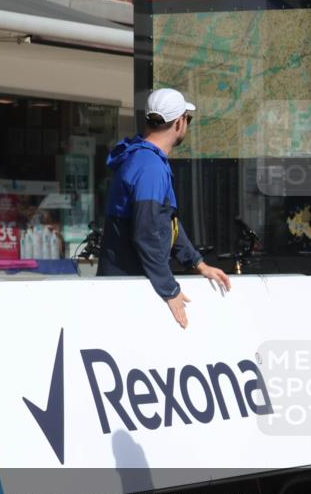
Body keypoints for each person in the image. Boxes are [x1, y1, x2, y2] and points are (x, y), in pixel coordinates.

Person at [98, 88, 231, 328]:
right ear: (179, 123)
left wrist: (198, 263)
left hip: (127, 286)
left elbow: (167, 223)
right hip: (128, 291)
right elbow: (146, 233)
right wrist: (170, 289)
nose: (186, 124)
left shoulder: (142, 158)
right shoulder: (150, 167)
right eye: (187, 119)